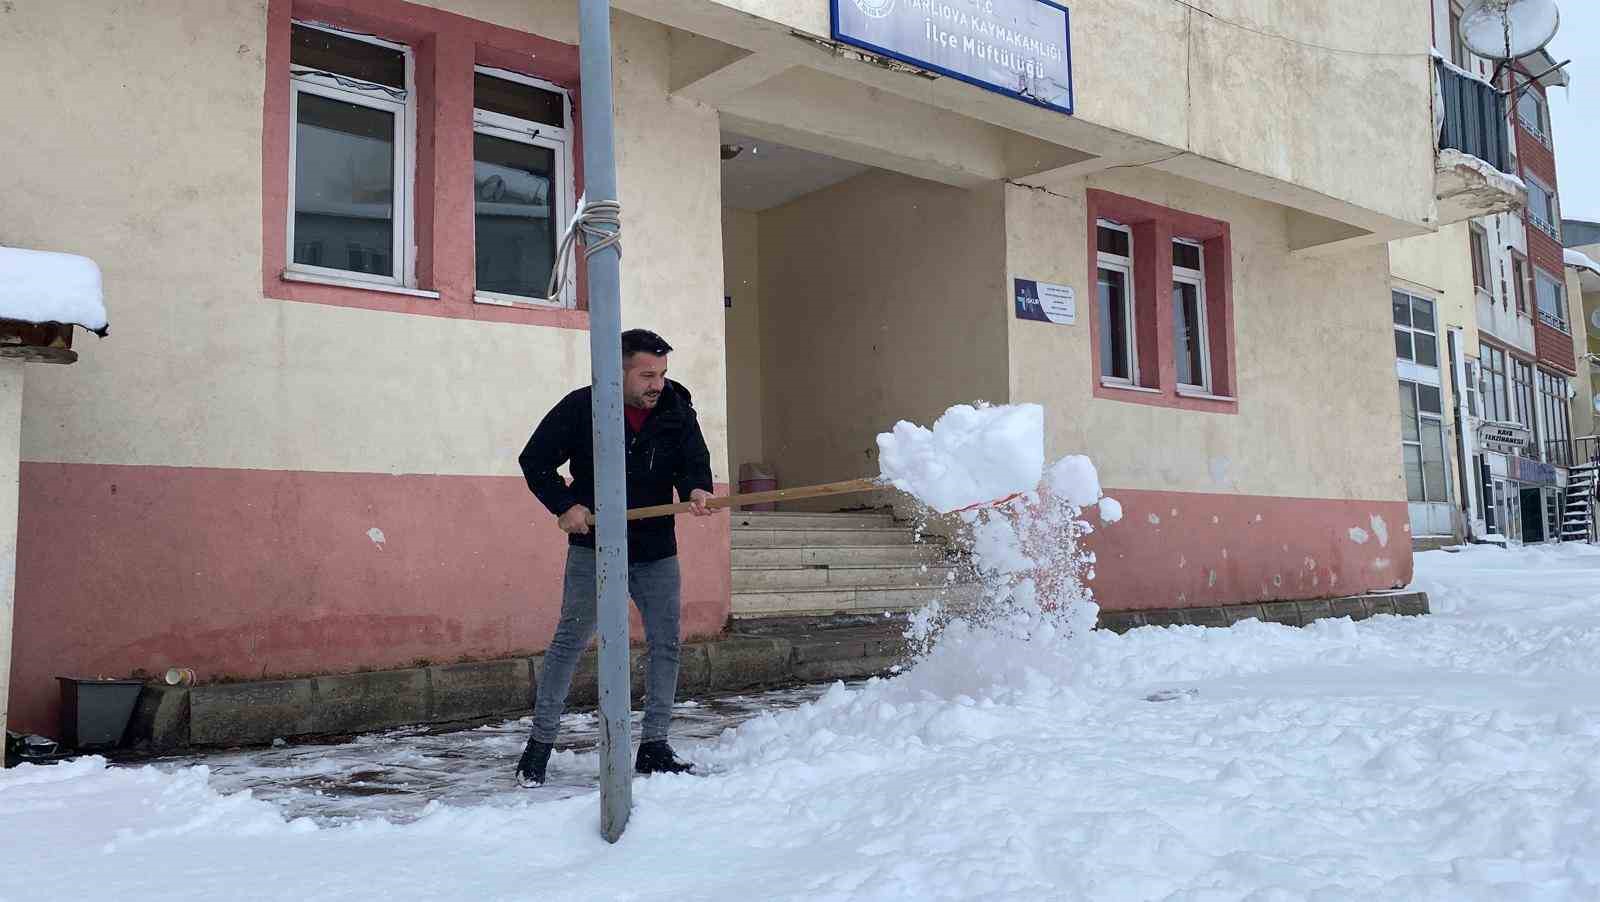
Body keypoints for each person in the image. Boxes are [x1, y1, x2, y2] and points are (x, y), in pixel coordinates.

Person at [514, 328, 715, 787]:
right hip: (596, 546)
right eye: (647, 375)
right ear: (617, 372)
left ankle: (654, 745)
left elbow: (693, 463)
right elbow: (535, 461)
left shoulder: (676, 409)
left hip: (655, 548)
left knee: (666, 644)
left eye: (662, 374)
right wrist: (565, 506)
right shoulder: (582, 407)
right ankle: (539, 745)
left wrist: (697, 490)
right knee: (570, 641)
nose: (657, 384)